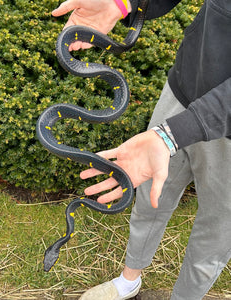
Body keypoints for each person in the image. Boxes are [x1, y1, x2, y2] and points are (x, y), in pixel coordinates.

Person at [52, 0, 231, 299]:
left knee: (215, 234)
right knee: (149, 197)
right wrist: (123, 3)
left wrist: (173, 135)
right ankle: (128, 280)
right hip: (183, 88)